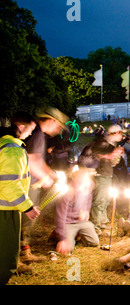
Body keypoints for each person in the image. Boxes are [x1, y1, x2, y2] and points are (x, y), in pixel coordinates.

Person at [22, 107, 68, 264]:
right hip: (29, 185)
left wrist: (50, 173)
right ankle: (19, 255)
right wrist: (45, 178)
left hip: (32, 184)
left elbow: (38, 159)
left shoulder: (38, 135)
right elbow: (30, 161)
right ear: (51, 121)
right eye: (59, 126)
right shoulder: (37, 135)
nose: (59, 130)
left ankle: (23, 251)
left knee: (29, 218)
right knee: (27, 218)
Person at [0, 112, 40, 285]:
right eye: (30, 129)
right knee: (7, 256)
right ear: (21, 126)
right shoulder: (12, 149)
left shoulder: (4, 144)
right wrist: (28, 207)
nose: (31, 133)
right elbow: (8, 183)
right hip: (6, 210)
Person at [52, 167, 99, 255]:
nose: (87, 180)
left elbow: (88, 203)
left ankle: (76, 235)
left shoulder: (87, 189)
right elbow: (60, 216)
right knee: (67, 250)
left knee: (94, 242)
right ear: (75, 179)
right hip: (68, 223)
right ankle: (57, 235)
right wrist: (62, 239)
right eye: (84, 178)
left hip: (81, 222)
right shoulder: (68, 192)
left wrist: (86, 211)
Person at [89, 124, 125, 234]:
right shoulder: (103, 142)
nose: (122, 136)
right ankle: (94, 225)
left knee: (105, 199)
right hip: (101, 174)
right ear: (115, 133)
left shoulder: (111, 143)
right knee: (99, 200)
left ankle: (102, 221)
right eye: (121, 133)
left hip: (107, 174)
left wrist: (114, 159)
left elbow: (108, 158)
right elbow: (96, 154)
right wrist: (112, 154)